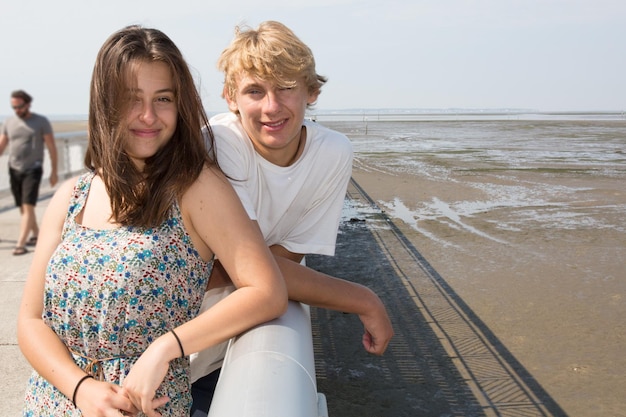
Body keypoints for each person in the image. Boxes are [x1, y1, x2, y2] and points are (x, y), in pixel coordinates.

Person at [17, 25, 287, 417]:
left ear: (180, 105)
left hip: (145, 406)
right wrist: (82, 390)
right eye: (132, 99)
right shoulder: (72, 197)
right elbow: (30, 320)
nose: (148, 116)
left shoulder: (197, 189)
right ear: (105, 103)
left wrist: (166, 346)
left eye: (163, 99)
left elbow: (266, 290)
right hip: (52, 402)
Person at [190, 20, 394, 416]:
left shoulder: (332, 152)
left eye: (286, 87)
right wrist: (364, 300)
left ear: (312, 92)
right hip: (169, 338)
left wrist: (243, 267)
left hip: (221, 347)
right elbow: (253, 269)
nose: (271, 106)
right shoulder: (219, 142)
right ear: (230, 97)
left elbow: (275, 265)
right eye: (254, 91)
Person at [0, 89, 58, 255]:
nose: (17, 110)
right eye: (14, 107)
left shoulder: (41, 122)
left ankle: (20, 244)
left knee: (28, 205)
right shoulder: (9, 122)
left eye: (19, 106)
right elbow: (2, 145)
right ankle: (36, 234)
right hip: (14, 169)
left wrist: (54, 171)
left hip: (33, 169)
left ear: (28, 104)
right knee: (24, 208)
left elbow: (52, 147)